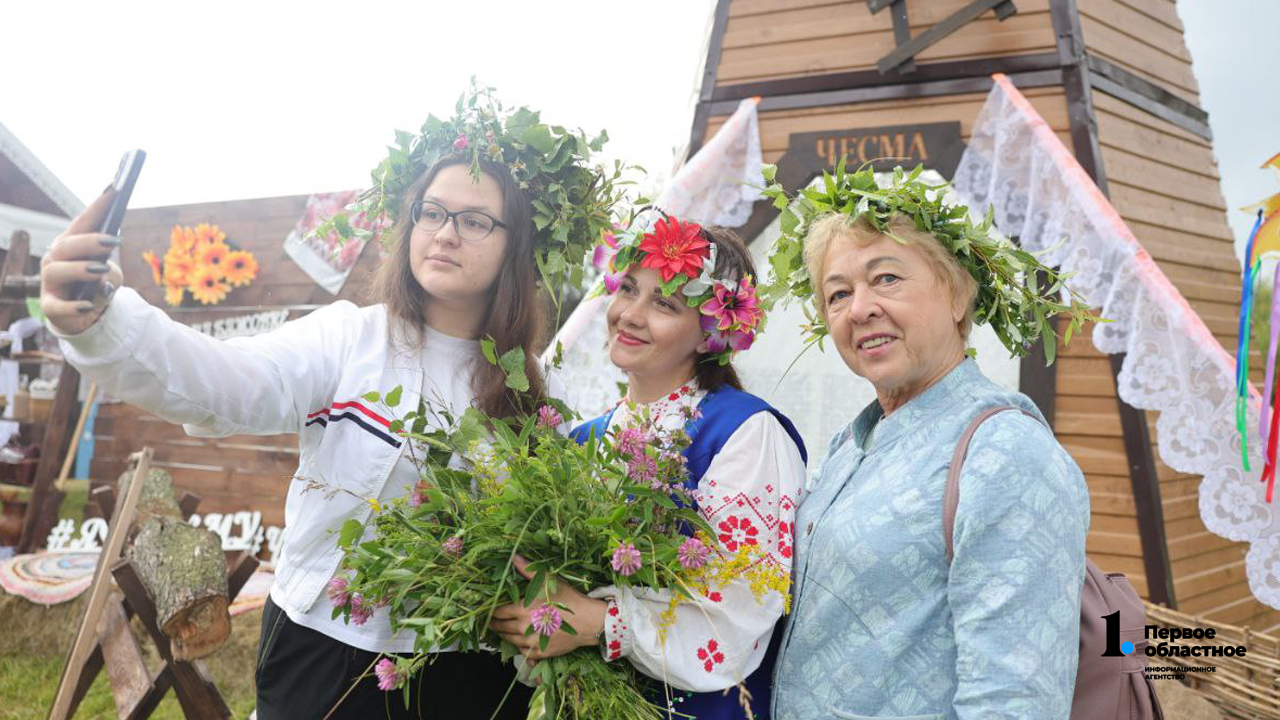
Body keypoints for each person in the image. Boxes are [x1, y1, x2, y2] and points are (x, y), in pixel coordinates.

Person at [39, 90, 616, 720]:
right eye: (432, 212)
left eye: (475, 221)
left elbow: (564, 543)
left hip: (467, 669)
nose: (446, 233)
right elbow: (227, 383)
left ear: (515, 246)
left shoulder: (537, 393)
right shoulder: (350, 339)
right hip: (325, 652)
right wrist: (101, 323)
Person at [764, 168, 1093, 720]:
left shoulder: (1006, 454)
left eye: (887, 278)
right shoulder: (853, 442)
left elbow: (1013, 703)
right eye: (838, 293)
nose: (859, 308)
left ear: (958, 292)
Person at [489, 215, 808, 720]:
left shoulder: (744, 432)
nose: (630, 316)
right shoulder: (584, 440)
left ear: (709, 335)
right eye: (628, 289)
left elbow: (744, 601)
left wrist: (602, 621)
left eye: (665, 303)